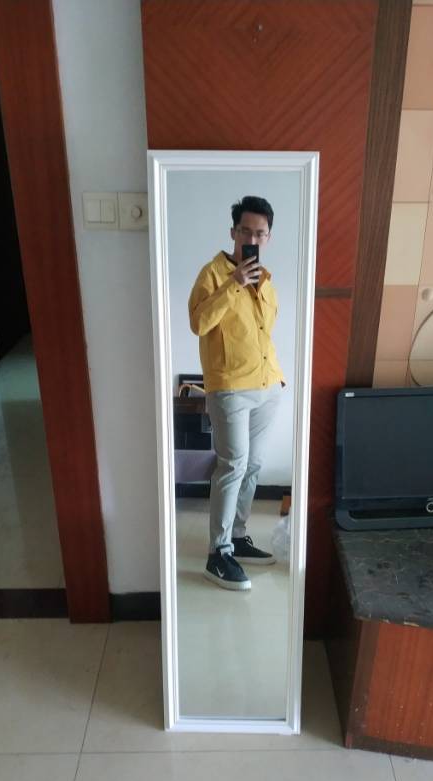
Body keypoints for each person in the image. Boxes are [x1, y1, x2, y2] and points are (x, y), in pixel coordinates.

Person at [188, 196, 284, 591]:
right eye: (246, 231)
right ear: (233, 232)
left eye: (260, 233)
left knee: (253, 465)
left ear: (268, 237)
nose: (252, 239)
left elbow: (264, 331)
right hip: (230, 388)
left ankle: (238, 537)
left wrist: (275, 381)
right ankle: (218, 553)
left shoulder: (267, 278)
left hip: (267, 386)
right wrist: (234, 284)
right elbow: (199, 323)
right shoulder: (213, 274)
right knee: (232, 466)